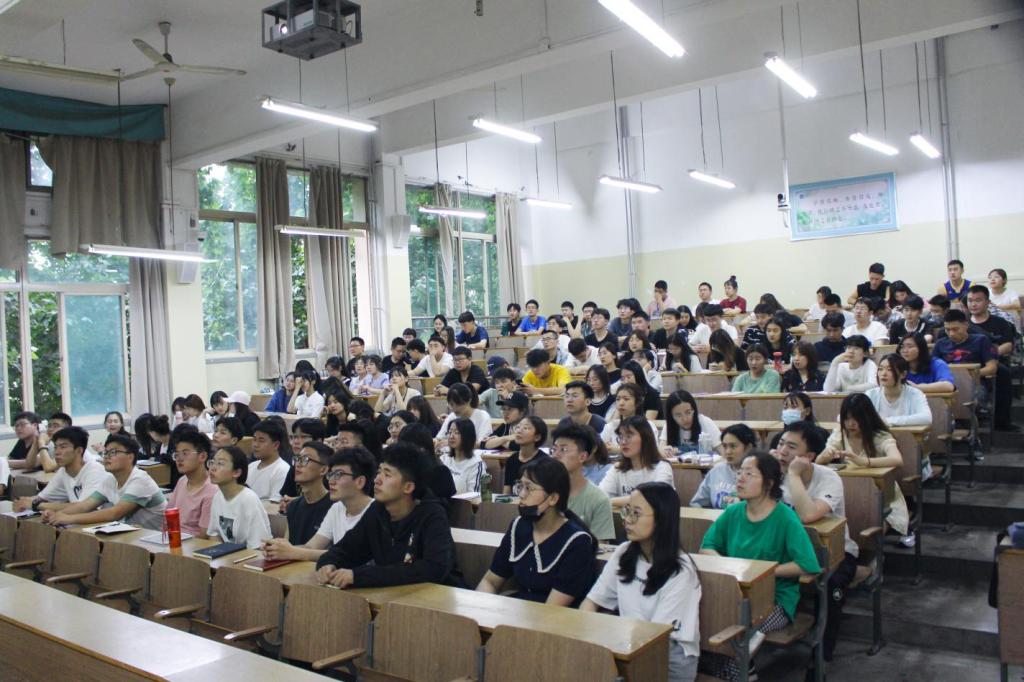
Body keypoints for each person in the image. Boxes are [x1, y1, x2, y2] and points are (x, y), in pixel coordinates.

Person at [699, 452, 821, 681]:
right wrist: (729, 568)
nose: (740, 478)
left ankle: (739, 672)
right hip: (735, 594)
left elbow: (808, 565)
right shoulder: (733, 512)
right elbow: (707, 546)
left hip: (775, 599)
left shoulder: (785, 517)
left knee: (738, 635)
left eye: (749, 474)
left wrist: (762, 574)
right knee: (712, 625)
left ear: (769, 483)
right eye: (739, 473)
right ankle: (742, 671)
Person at [583, 483, 701, 682]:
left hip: (668, 658)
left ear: (662, 519)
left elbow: (654, 636)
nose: (627, 520)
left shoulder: (681, 571)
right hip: (628, 647)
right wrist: (585, 641)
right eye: (627, 511)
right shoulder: (624, 552)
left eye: (636, 513)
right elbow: (592, 602)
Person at [316, 443, 456, 589]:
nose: (377, 480)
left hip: (437, 595)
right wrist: (328, 564)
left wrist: (359, 576)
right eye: (379, 472)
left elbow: (433, 568)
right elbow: (346, 549)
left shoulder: (432, 515)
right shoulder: (378, 511)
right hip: (394, 595)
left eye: (387, 475)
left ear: (408, 487)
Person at [773, 422, 859, 661]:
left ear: (809, 456)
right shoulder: (773, 475)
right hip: (789, 552)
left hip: (835, 553)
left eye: (791, 447)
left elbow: (808, 515)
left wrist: (793, 475)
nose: (782, 451)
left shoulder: (828, 478)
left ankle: (820, 659)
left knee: (832, 587)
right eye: (781, 444)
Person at [478, 457, 597, 605]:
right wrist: (480, 607)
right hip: (519, 611)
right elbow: (490, 581)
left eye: (529, 488)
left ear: (553, 498)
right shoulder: (518, 527)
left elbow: (552, 609)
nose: (521, 494)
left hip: (554, 617)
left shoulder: (577, 542)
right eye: (520, 486)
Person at [816, 393, 912, 543]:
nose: (850, 424)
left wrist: (863, 461)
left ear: (867, 418)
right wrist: (824, 456)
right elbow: (818, 462)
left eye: (856, 419)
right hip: (850, 491)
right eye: (847, 418)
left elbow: (897, 459)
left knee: (867, 530)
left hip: (881, 494)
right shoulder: (840, 434)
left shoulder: (879, 436)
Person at [263, 446, 377, 562]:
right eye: (331, 475)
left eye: (338, 475)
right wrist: (278, 549)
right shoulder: (337, 508)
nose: (331, 481)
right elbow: (311, 547)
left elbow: (348, 554)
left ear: (360, 481)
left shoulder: (377, 512)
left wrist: (292, 551)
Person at [43, 434, 167, 531]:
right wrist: (56, 515)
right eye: (106, 452)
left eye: (113, 452)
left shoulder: (140, 480)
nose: (107, 456)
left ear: (130, 457)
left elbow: (114, 514)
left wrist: (68, 519)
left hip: (159, 540)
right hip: (136, 537)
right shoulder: (110, 480)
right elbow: (85, 505)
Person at [934, 308, 1012, 430]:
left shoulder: (981, 340)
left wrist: (966, 374)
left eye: (955, 329)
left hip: (975, 384)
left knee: (968, 399)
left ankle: (967, 429)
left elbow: (992, 368)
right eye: (947, 330)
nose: (951, 334)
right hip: (947, 384)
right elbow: (933, 369)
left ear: (966, 325)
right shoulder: (940, 344)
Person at [14, 426, 112, 513]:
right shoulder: (63, 471)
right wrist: (22, 501)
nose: (57, 452)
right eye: (56, 447)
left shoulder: (95, 470)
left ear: (79, 451)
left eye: (63, 447)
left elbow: (82, 508)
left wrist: (36, 505)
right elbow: (42, 498)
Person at [550, 424, 615, 542]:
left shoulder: (599, 499)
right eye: (554, 449)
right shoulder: (543, 491)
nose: (555, 455)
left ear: (582, 456)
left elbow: (599, 547)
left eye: (563, 450)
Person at [600, 416, 674, 506]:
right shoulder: (617, 469)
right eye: (621, 437)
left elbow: (653, 498)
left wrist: (611, 501)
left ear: (645, 438)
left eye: (629, 436)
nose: (623, 442)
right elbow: (600, 497)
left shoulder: (662, 467)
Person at [689, 423, 755, 509]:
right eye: (724, 446)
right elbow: (697, 504)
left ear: (748, 447)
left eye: (733, 446)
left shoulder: (758, 474)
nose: (728, 451)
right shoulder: (716, 471)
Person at [166, 431, 218, 537]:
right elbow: (168, 517)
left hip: (193, 544)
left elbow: (204, 536)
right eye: (177, 454)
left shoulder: (212, 490)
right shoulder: (182, 481)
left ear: (202, 456)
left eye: (185, 453)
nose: (179, 459)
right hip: (174, 539)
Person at [866, 354, 933, 427]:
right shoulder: (871, 394)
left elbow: (927, 418)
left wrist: (888, 421)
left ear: (903, 374)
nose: (883, 374)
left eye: (890, 370)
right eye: (880, 369)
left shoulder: (915, 394)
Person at [660, 390, 721, 457]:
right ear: (671, 416)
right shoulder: (669, 426)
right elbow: (661, 449)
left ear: (694, 410)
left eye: (688, 412)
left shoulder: (705, 422)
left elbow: (722, 450)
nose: (685, 419)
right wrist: (665, 452)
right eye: (678, 415)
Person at [599, 384, 659, 451]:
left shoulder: (648, 425)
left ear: (638, 402)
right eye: (618, 399)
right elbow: (600, 449)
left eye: (626, 399)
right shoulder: (610, 426)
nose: (621, 403)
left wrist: (618, 450)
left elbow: (652, 451)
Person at [502, 415, 550, 494]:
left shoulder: (545, 462)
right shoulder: (511, 459)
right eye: (518, 427)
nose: (519, 430)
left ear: (537, 437)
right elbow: (506, 492)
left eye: (525, 428)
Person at [247, 421, 292, 501]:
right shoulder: (251, 466)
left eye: (261, 441)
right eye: (254, 439)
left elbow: (275, 503)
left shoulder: (282, 470)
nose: (255, 444)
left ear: (276, 445)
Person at [440, 417, 485, 494]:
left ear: (467, 436)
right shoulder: (444, 459)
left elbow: (474, 495)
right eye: (450, 432)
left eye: (457, 432)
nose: (451, 436)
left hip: (464, 502)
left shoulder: (476, 464)